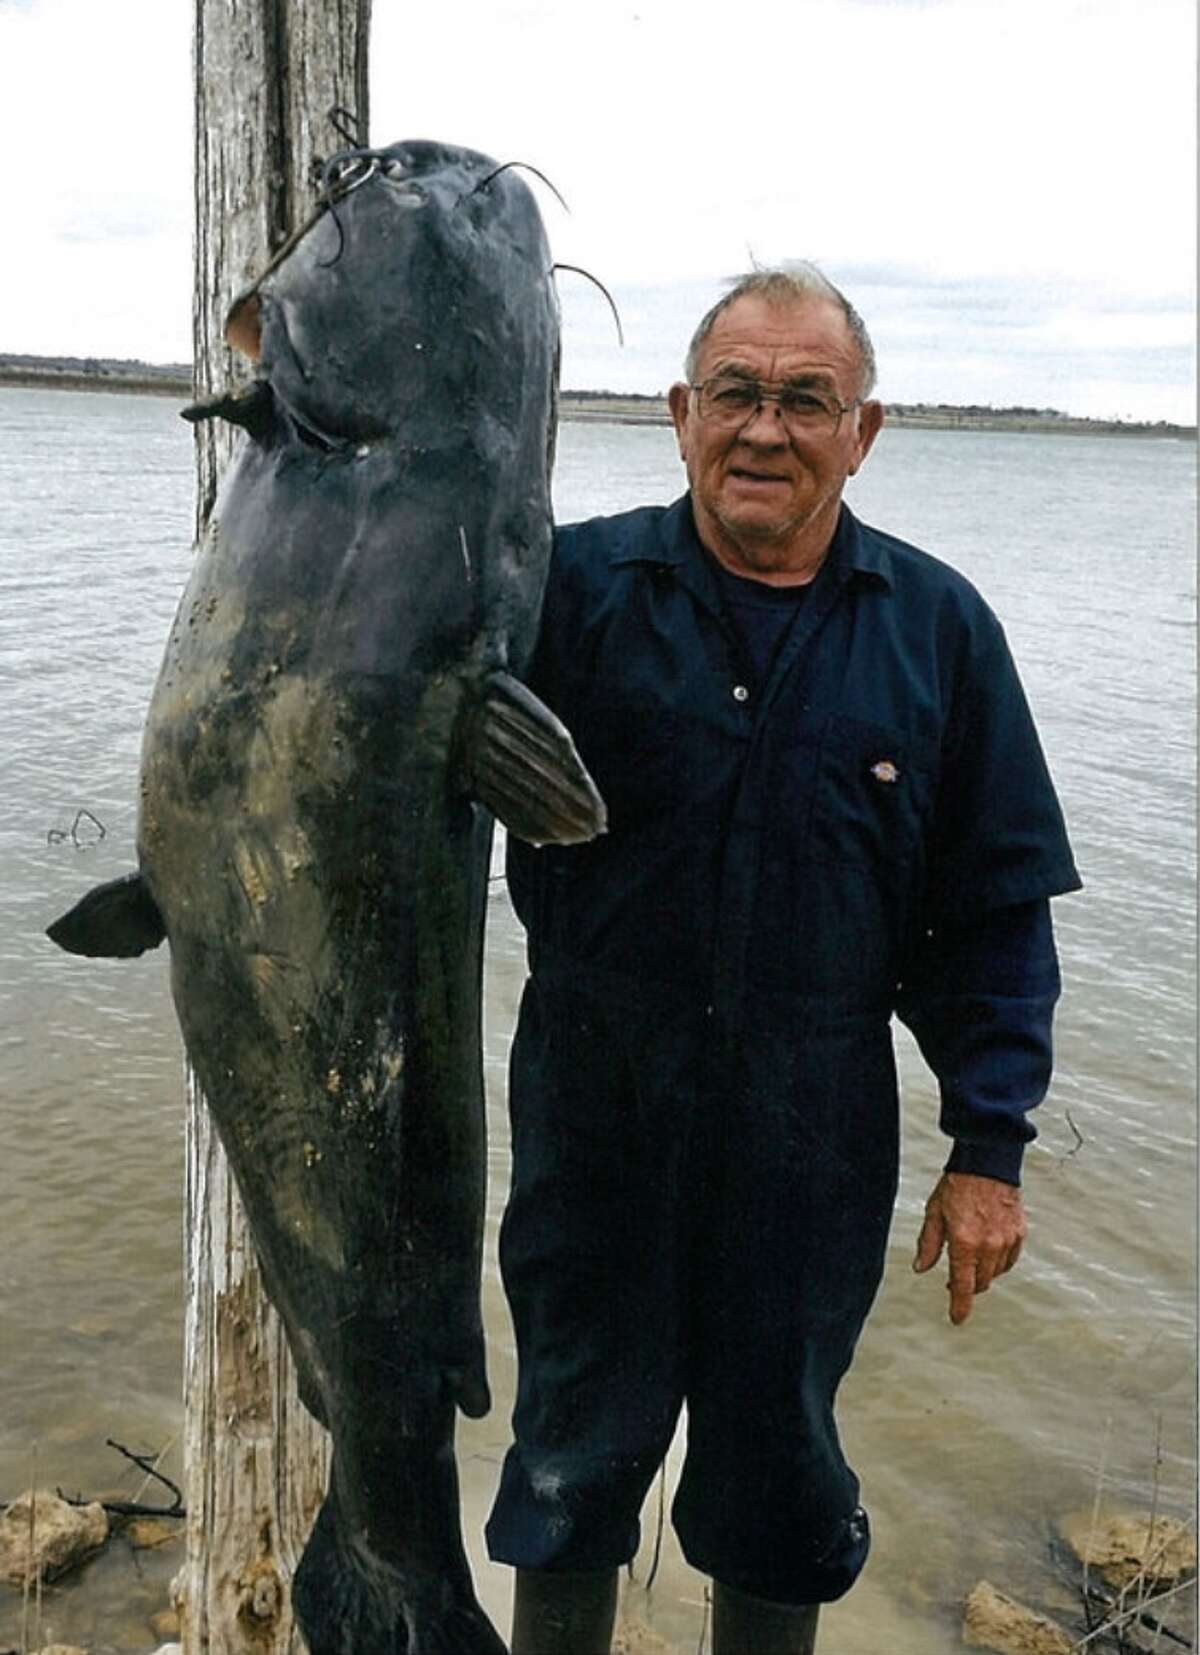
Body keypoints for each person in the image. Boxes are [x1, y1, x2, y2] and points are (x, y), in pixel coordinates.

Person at [483, 266, 1081, 1655]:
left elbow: (992, 914)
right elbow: (396, 741)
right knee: (570, 1455)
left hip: (813, 1122)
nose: (766, 429)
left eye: (805, 399)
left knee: (781, 1473)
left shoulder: (937, 630)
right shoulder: (563, 594)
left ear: (862, 431)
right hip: (593, 1103)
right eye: (737, 395)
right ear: (680, 416)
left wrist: (989, 1146)